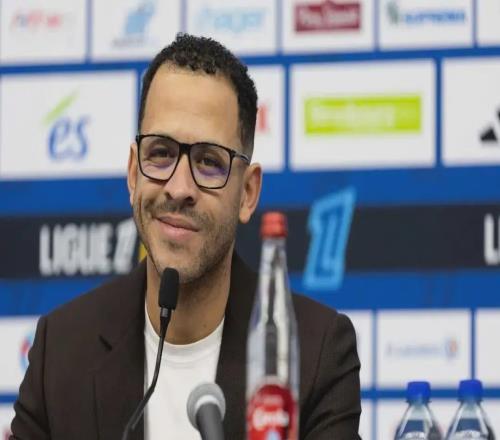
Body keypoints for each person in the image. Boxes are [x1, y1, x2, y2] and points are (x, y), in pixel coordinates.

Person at [10, 34, 361, 440]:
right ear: (133, 173)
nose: (179, 188)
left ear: (247, 193)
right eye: (160, 153)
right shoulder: (61, 349)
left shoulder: (317, 354)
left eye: (208, 162)